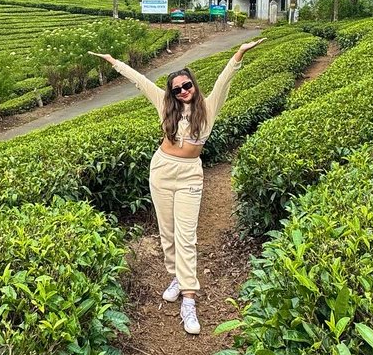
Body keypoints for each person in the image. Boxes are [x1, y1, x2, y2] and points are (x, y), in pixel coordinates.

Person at [88, 40, 259, 335]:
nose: (182, 92)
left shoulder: (208, 106)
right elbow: (141, 82)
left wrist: (239, 53)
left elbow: (224, 78)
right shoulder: (165, 105)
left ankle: (189, 299)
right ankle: (176, 277)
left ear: (193, 84)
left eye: (186, 85)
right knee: (166, 233)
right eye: (177, 89)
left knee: (187, 236)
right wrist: (114, 61)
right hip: (162, 172)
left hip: (190, 174)